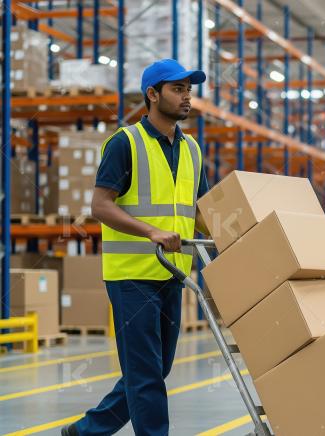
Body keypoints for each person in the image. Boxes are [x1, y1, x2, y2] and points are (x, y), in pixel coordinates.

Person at [62, 59, 210, 436]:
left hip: (172, 274)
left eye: (189, 90)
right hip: (131, 278)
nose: (187, 97)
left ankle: (87, 431)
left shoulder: (192, 149)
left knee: (155, 369)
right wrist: (150, 232)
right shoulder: (125, 143)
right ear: (152, 94)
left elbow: (202, 209)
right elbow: (100, 206)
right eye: (177, 89)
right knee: (145, 377)